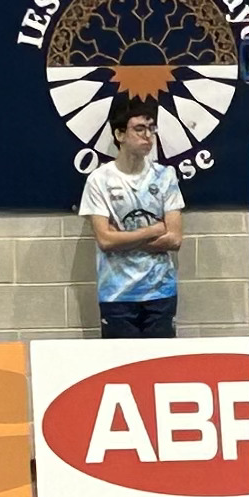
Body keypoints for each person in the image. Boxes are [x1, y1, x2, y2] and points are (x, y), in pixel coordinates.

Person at [79, 95, 186, 337]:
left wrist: (122, 238)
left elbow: (175, 239)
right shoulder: (99, 180)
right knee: (120, 359)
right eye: (139, 129)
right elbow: (105, 241)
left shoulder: (165, 176)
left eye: (151, 128)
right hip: (117, 294)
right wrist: (154, 230)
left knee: (161, 360)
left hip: (161, 292)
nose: (148, 136)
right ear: (119, 135)